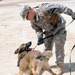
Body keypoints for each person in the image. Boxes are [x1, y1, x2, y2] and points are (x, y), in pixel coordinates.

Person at [20, 3, 75, 75]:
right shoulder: (32, 21)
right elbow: (37, 29)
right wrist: (40, 37)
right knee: (47, 49)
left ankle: (59, 66)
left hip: (59, 27)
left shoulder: (45, 8)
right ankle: (43, 64)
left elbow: (62, 7)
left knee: (59, 45)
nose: (27, 19)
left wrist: (73, 14)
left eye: (26, 16)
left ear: (30, 11)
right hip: (49, 31)